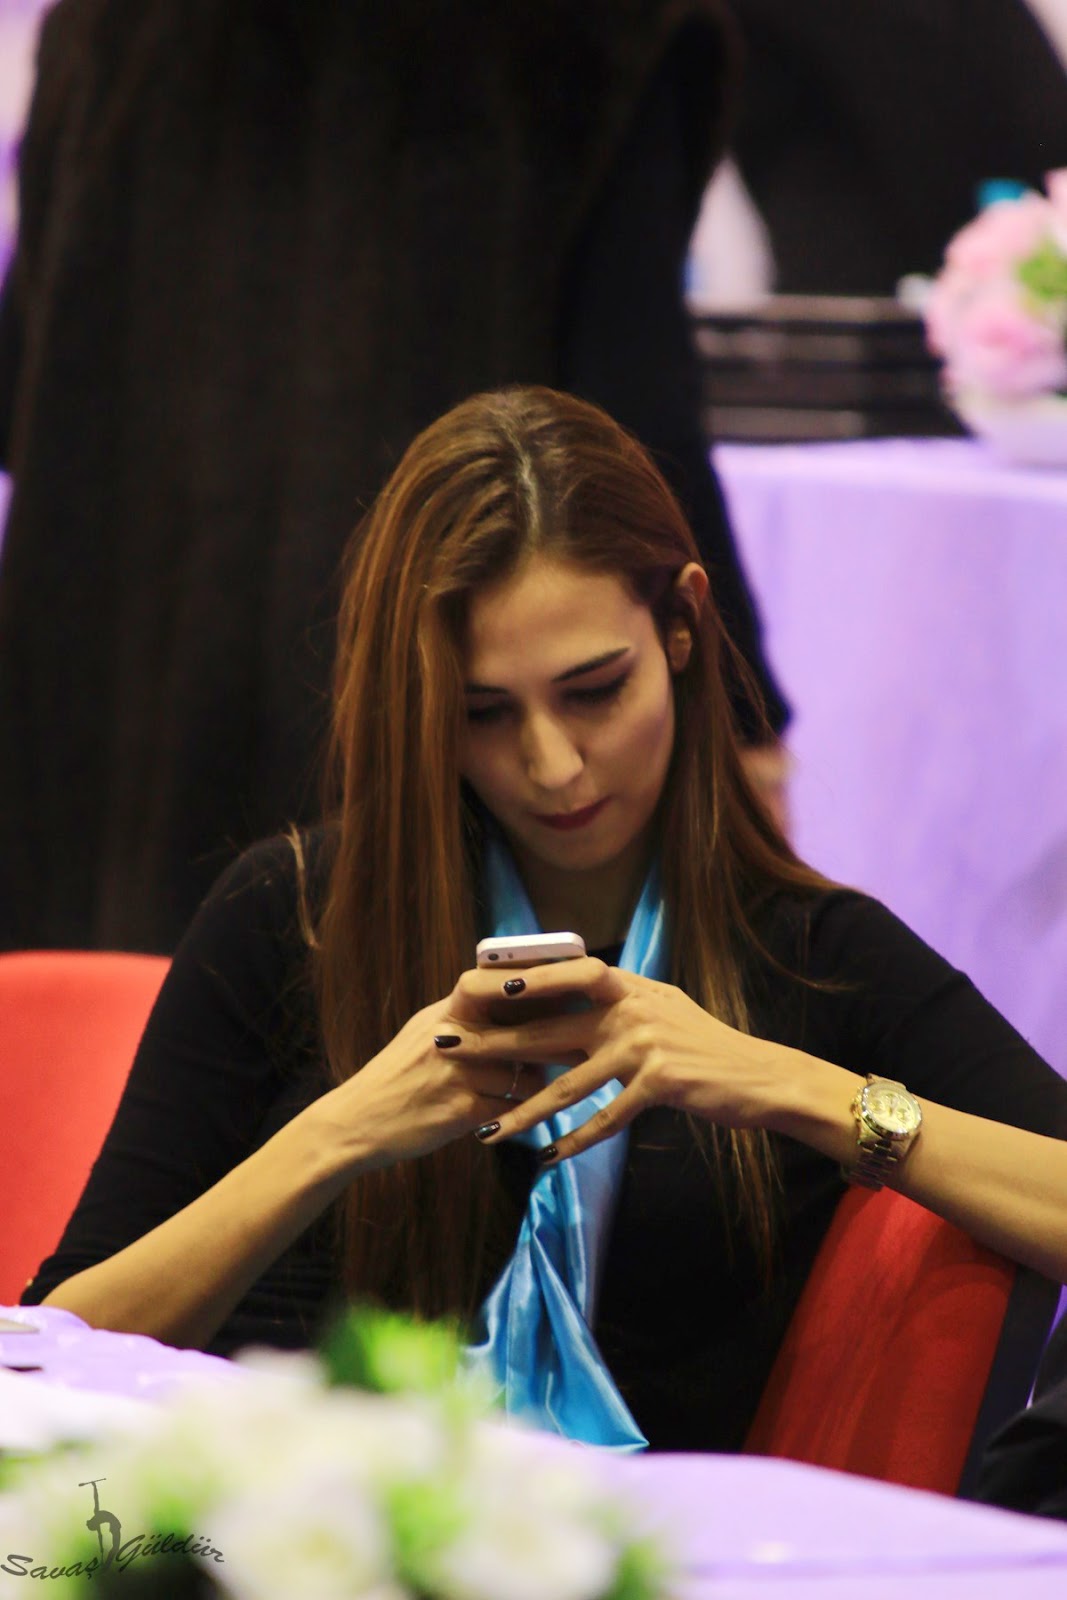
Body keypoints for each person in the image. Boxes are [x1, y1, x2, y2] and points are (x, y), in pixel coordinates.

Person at [22, 386, 1067, 1452]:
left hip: (629, 1538)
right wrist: (337, 1136)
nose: (552, 765)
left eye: (594, 690)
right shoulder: (293, 914)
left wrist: (799, 1090)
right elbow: (57, 1348)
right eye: (482, 712)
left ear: (681, 625)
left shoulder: (812, 957)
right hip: (273, 1518)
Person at [0, 0, 788, 957]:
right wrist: (736, 710)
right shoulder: (574, 34)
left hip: (95, 721)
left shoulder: (110, 25)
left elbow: (27, 379)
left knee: (101, 1035)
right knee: (393, 1015)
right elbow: (633, 415)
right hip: (402, 709)